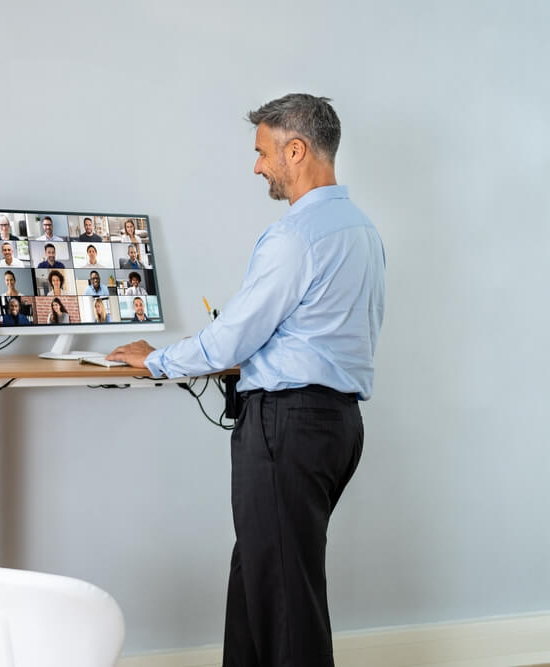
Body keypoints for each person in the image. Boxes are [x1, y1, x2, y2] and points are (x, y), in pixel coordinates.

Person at [107, 94, 385, 667]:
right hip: (336, 427)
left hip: (288, 427)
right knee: (261, 576)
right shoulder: (362, 231)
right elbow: (325, 331)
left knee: (283, 594)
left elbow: (232, 337)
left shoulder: (294, 237)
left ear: (297, 149)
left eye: (262, 152)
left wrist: (155, 360)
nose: (257, 166)